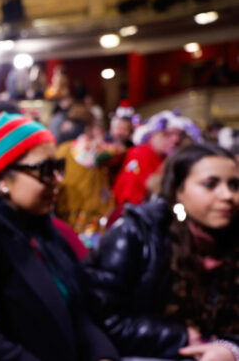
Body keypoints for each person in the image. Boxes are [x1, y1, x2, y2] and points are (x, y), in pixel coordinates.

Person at [0, 112, 118, 361]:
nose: (57, 181)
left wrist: (103, 356)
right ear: (2, 177)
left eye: (58, 168)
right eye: (45, 170)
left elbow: (79, 314)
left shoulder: (42, 227)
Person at [85, 143, 239, 360]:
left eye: (234, 185)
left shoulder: (232, 238)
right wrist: (181, 336)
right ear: (178, 190)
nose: (227, 195)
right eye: (210, 184)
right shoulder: (137, 233)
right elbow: (101, 319)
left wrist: (230, 348)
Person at [113, 110, 200, 206]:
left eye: (180, 135)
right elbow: (129, 196)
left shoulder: (167, 156)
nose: (176, 140)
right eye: (167, 134)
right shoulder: (140, 153)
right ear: (152, 135)